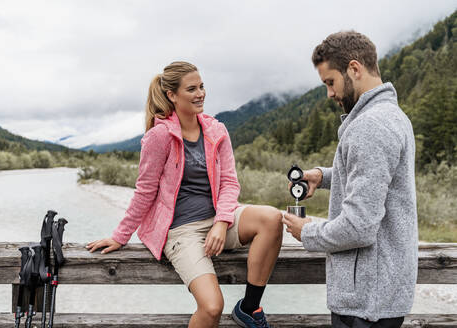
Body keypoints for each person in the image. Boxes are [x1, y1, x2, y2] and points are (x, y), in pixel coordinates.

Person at [86, 61, 283, 328]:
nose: (200, 93)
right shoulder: (160, 136)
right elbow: (145, 191)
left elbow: (229, 183)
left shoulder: (217, 130)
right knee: (212, 307)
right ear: (172, 95)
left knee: (271, 218)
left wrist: (222, 222)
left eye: (201, 86)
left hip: (219, 221)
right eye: (191, 89)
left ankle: (249, 308)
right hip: (182, 231)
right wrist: (120, 236)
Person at [282, 31, 418, 328]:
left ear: (354, 69)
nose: (329, 93)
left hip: (365, 300)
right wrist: (324, 176)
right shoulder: (392, 116)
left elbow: (359, 227)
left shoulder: (370, 127)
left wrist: (308, 232)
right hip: (381, 292)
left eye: (330, 82)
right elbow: (380, 179)